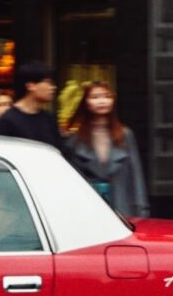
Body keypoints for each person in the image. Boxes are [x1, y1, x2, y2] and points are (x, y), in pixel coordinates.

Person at [62, 81, 148, 218]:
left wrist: (141, 208)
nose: (102, 101)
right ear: (86, 102)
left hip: (122, 204)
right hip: (88, 207)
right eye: (95, 97)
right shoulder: (75, 138)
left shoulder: (125, 134)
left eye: (106, 96)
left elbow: (135, 174)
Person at [0, 62, 61, 147]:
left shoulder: (49, 118)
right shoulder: (8, 121)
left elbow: (59, 150)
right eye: (47, 82)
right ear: (30, 86)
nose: (52, 88)